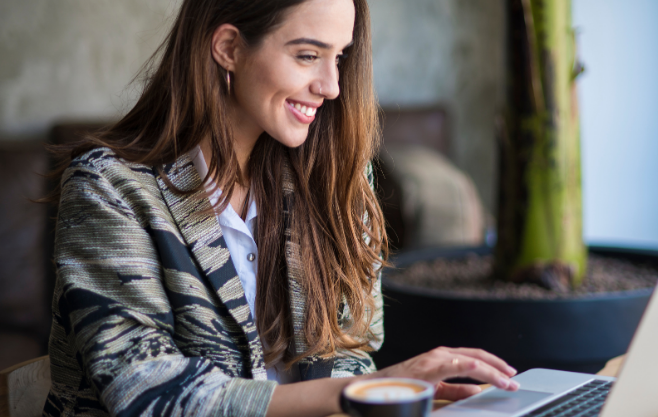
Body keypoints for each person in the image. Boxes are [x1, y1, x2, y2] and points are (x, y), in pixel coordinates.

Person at [44, 0, 519, 415]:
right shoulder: (108, 188)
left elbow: (352, 347)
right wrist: (367, 390)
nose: (331, 85)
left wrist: (374, 390)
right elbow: (147, 391)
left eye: (341, 57)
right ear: (228, 47)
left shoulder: (334, 177)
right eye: (308, 56)